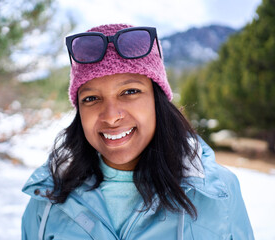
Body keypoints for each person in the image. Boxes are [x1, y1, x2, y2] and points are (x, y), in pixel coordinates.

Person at [21, 24, 254, 240]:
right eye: (91, 98)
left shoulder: (218, 192)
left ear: (157, 100)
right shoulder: (49, 198)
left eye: (130, 91)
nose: (111, 116)